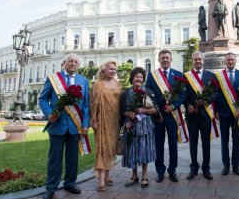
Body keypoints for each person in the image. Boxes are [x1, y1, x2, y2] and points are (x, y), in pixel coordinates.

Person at [39, 53, 90, 199]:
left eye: (76, 62)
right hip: (57, 125)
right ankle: (51, 187)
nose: (73, 64)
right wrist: (49, 113)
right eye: (70, 61)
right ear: (64, 63)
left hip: (75, 125)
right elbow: (42, 99)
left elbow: (86, 105)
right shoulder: (53, 79)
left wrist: (85, 124)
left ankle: (70, 183)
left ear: (78, 65)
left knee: (72, 157)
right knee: (55, 158)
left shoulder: (84, 81)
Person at [145, 49, 187, 183]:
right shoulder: (152, 75)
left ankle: (172, 170)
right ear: (159, 60)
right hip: (157, 116)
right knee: (158, 144)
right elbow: (148, 95)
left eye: (167, 58)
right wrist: (156, 110)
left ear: (171, 59)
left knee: (173, 144)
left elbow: (183, 95)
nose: (165, 60)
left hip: (172, 115)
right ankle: (160, 171)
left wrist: (173, 106)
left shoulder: (178, 75)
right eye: (162, 58)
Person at [120, 67, 159, 188]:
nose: (139, 79)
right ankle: (134, 176)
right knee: (132, 152)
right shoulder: (126, 93)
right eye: (136, 76)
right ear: (132, 78)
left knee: (144, 151)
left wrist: (144, 110)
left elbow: (156, 110)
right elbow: (120, 111)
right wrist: (127, 113)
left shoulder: (148, 92)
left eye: (141, 77)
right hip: (131, 127)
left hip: (145, 127)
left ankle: (145, 176)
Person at [184, 52, 218, 180]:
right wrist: (187, 105)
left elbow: (216, 93)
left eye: (200, 59)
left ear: (203, 61)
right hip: (192, 114)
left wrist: (207, 100)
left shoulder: (211, 76)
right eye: (195, 59)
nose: (198, 61)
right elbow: (183, 94)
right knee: (193, 143)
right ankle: (193, 168)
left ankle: (206, 168)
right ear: (192, 61)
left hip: (205, 114)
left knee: (205, 143)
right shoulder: (187, 76)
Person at [215, 52, 239, 176]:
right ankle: (226, 165)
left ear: (235, 61)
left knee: (236, 141)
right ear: (225, 61)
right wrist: (216, 110)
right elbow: (216, 95)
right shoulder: (219, 76)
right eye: (228, 60)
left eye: (232, 60)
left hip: (237, 114)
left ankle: (236, 165)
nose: (230, 62)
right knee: (224, 141)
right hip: (223, 114)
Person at [90, 61, 121, 191]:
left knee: (111, 148)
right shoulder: (97, 84)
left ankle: (107, 175)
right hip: (102, 120)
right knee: (102, 147)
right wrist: (94, 120)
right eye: (110, 69)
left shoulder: (118, 84)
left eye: (114, 69)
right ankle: (101, 179)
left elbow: (121, 102)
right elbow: (93, 103)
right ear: (103, 71)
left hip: (115, 121)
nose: (113, 71)